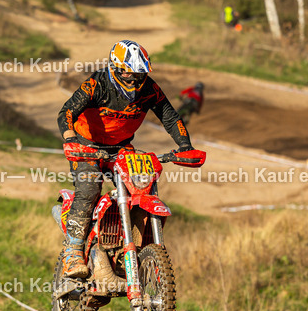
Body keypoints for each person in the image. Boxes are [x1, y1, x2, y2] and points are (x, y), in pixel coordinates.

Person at [56, 40, 205, 278]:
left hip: (121, 147)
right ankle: (73, 251)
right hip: (86, 146)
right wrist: (70, 139)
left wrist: (185, 145)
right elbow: (67, 112)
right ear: (115, 67)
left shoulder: (149, 89)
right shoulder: (98, 83)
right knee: (89, 187)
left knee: (141, 188)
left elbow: (169, 116)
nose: (134, 78)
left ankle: (131, 250)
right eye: (128, 71)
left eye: (139, 72)